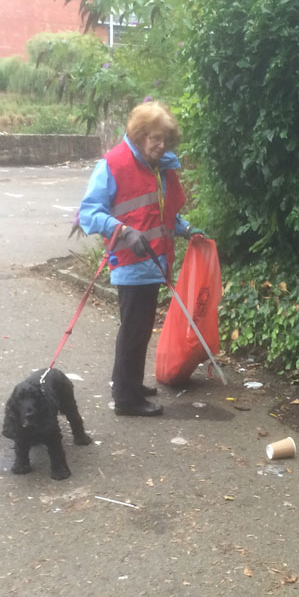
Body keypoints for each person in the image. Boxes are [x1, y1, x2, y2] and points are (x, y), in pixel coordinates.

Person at [77, 101, 205, 417]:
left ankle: (129, 383)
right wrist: (122, 231)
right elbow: (88, 213)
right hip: (131, 265)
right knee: (134, 330)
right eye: (155, 139)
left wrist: (185, 228)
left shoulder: (156, 166)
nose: (161, 146)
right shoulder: (113, 165)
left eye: (165, 140)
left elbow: (158, 214)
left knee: (141, 329)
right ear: (139, 135)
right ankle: (126, 398)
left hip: (155, 263)